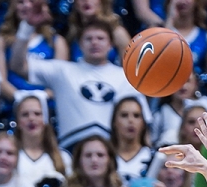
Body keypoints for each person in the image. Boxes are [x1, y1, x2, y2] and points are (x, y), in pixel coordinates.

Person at [9, 12, 146, 148]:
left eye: (100, 38)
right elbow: (18, 66)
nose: (94, 42)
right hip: (70, 151)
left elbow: (142, 120)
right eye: (88, 39)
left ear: (111, 44)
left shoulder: (125, 78)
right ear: (79, 44)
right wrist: (27, 28)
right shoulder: (63, 71)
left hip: (111, 154)